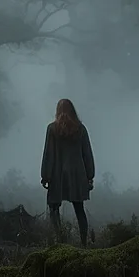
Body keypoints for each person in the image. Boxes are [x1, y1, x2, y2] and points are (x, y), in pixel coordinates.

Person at [40, 98, 95, 246]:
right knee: (79, 209)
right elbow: (87, 154)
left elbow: (48, 154)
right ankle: (84, 243)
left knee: (54, 208)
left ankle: (60, 241)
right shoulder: (80, 129)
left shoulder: (52, 129)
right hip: (77, 175)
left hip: (57, 175)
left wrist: (45, 175)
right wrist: (90, 176)